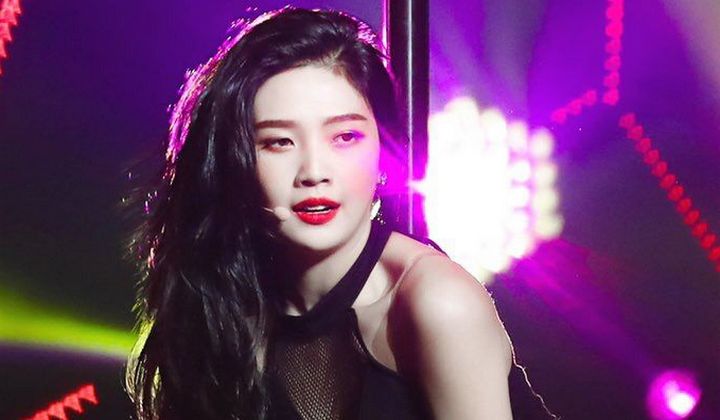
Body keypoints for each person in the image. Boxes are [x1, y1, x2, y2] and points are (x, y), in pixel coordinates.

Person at [125, 6, 518, 419]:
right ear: (234, 160)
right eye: (279, 142)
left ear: (383, 150)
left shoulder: (439, 303)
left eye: (345, 137)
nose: (314, 172)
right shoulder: (219, 299)